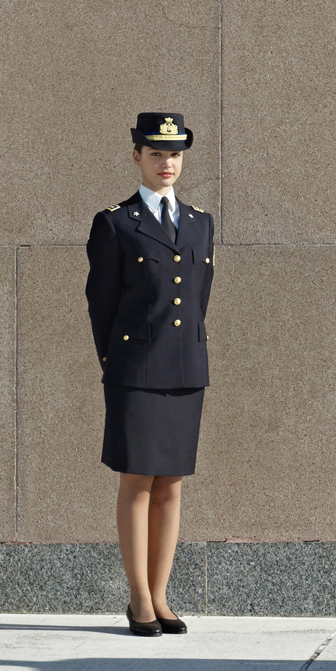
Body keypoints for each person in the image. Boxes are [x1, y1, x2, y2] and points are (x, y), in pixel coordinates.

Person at [85, 113, 215, 638]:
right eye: (156, 153)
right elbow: (101, 305)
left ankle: (162, 595)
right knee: (137, 482)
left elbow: (200, 298)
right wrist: (114, 365)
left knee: (172, 487)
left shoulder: (200, 221)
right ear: (136, 156)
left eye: (175, 154)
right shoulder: (115, 222)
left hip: (185, 366)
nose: (167, 164)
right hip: (135, 368)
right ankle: (138, 598)